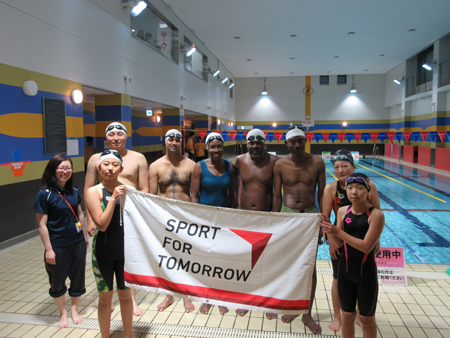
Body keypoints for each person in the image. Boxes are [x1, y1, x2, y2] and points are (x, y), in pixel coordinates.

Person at [85, 122, 149, 316]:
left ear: (126, 137)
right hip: (104, 210)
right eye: (111, 134)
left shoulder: (138, 158)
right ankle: (108, 298)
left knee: (129, 258)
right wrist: (90, 220)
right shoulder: (95, 159)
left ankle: (131, 299)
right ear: (106, 137)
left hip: (129, 215)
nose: (115, 138)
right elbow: (88, 188)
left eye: (119, 134)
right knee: (106, 252)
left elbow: (145, 189)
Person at [273, 124, 325, 334]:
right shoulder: (280, 165)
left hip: (311, 215)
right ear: (286, 143)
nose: (296, 145)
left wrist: (323, 221)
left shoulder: (317, 163)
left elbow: (322, 194)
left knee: (310, 267)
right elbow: (277, 195)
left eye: (300, 141)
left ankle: (307, 313)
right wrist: (275, 223)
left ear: (305, 141)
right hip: (288, 215)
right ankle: (293, 306)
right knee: (289, 265)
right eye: (292, 141)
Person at [322, 149, 380, 332]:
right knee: (338, 278)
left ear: (353, 167)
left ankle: (359, 315)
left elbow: (377, 213)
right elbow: (326, 217)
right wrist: (332, 241)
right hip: (339, 238)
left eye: (345, 166)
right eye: (337, 167)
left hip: (361, 239)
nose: (340, 170)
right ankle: (339, 316)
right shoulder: (331, 189)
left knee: (359, 275)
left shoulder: (368, 185)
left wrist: (376, 240)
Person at [35, 154, 88, 328]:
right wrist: (49, 249)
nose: (65, 171)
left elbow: (79, 213)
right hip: (57, 244)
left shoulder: (74, 191)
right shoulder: (44, 194)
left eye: (68, 168)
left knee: (78, 277)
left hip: (77, 241)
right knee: (57, 280)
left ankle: (74, 308)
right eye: (61, 168)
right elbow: (42, 225)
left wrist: (84, 237)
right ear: (53, 170)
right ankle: (63, 313)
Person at [85, 150, 133, 338]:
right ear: (99, 167)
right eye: (106, 164)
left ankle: (128, 336)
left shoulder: (129, 191)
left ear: (121, 168)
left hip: (125, 253)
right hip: (103, 252)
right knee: (105, 299)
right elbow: (102, 225)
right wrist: (113, 198)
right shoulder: (93, 192)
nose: (110, 169)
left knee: (125, 296)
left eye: (114, 165)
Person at [148, 129, 196, 312]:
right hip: (164, 216)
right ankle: (169, 295)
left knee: (185, 255)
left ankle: (185, 296)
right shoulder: (155, 166)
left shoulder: (191, 165)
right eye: (171, 139)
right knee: (167, 256)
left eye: (177, 139)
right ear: (165, 142)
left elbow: (195, 194)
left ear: (181, 142)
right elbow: (152, 195)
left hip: (185, 215)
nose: (174, 142)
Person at [234, 128, 279, 319]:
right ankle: (246, 299)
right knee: (246, 261)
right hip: (245, 217)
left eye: (258, 143)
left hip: (267, 216)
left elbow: (278, 192)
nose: (254, 146)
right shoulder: (240, 161)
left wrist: (276, 218)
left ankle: (268, 301)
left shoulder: (275, 162)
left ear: (264, 144)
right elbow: (235, 187)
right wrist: (236, 210)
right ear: (247, 145)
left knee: (267, 261)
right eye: (251, 143)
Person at [191, 132, 237, 315]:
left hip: (224, 219)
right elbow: (194, 195)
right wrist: (196, 218)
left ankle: (219, 297)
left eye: (219, 146)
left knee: (221, 259)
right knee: (205, 259)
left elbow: (233, 194)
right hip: (205, 219)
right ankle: (206, 298)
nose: (216, 150)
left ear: (222, 148)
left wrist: (233, 216)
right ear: (207, 148)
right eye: (212, 147)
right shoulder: (199, 167)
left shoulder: (229, 166)